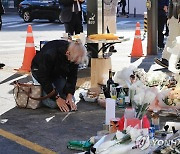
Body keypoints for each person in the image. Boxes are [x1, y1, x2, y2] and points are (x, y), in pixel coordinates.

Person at [31, 39, 88, 112]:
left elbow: (72, 76)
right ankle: (39, 92)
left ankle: (51, 93)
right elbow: (43, 77)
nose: (76, 62)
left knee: (69, 101)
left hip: (57, 74)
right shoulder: (49, 54)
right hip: (39, 72)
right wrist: (57, 98)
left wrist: (70, 94)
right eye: (74, 60)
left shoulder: (74, 56)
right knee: (53, 104)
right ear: (68, 53)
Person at [155, 0, 180, 68]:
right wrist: (169, 17)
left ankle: (167, 59)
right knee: (172, 39)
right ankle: (166, 59)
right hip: (175, 17)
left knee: (172, 39)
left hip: (175, 17)